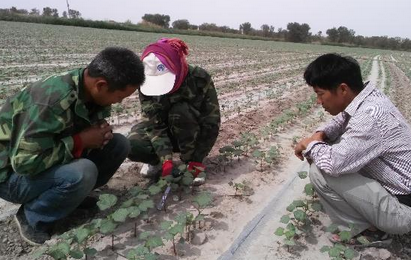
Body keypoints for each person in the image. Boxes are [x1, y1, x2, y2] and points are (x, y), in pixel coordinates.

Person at [0, 47, 145, 245]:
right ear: (101, 85)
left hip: (40, 161)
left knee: (119, 144)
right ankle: (33, 217)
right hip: (10, 175)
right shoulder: (51, 102)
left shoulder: (89, 89)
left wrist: (100, 132)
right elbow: (24, 163)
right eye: (119, 97)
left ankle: (71, 198)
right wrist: (80, 141)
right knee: (82, 171)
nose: (118, 102)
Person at [294, 53, 411, 245]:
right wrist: (320, 135)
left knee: (321, 170)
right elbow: (343, 120)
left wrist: (310, 144)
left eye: (320, 94)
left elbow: (332, 164)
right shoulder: (368, 97)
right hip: (400, 191)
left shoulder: (370, 116)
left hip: (403, 210)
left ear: (342, 89)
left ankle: (370, 231)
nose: (318, 101)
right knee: (331, 145)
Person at [128, 38, 221, 185]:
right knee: (132, 144)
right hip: (163, 131)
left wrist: (196, 160)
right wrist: (166, 160)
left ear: (178, 67)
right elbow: (153, 123)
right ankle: (156, 161)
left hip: (190, 131)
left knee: (180, 111)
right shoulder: (144, 81)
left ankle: (189, 160)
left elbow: (211, 123)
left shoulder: (199, 79)